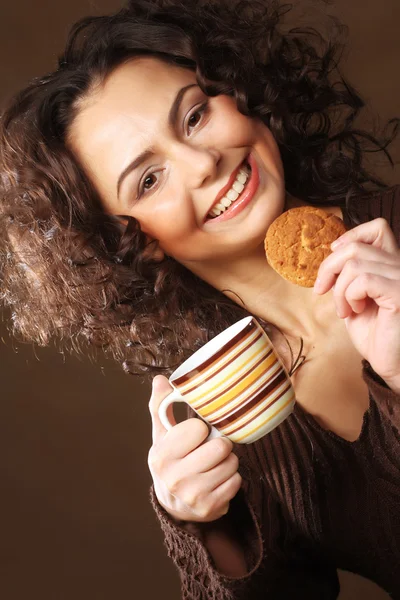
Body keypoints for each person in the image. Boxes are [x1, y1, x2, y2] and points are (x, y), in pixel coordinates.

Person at [0, 0, 399, 597]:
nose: (204, 161)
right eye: (149, 179)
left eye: (193, 117)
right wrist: (209, 527)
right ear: (131, 242)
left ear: (237, 94)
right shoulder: (217, 417)